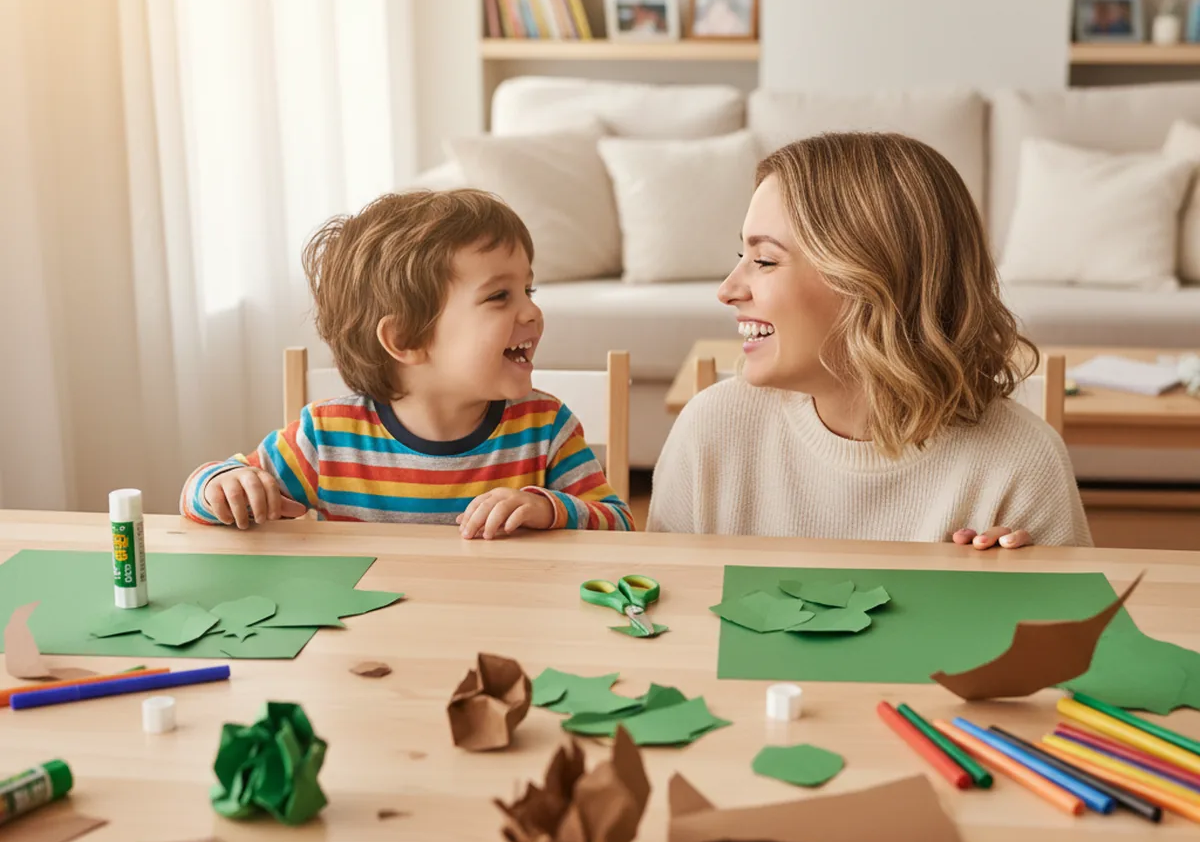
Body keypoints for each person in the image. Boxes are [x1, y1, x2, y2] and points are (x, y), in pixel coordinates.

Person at [648, 132, 1091, 548]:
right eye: (743, 255)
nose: (728, 290)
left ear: (873, 282)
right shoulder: (712, 430)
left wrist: (1016, 595)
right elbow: (658, 609)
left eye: (764, 260)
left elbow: (1069, 631)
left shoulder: (1023, 462)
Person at [180, 189, 633, 538]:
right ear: (406, 339)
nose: (532, 312)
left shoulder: (546, 427)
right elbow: (199, 495)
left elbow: (620, 527)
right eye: (500, 296)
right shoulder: (326, 436)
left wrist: (549, 509)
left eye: (528, 291)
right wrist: (224, 483)